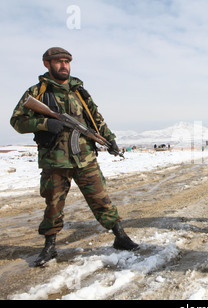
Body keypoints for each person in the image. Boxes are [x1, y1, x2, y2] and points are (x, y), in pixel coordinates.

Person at [10, 47, 139, 267]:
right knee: (53, 204)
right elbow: (17, 121)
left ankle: (120, 236)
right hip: (54, 161)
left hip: (85, 158)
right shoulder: (37, 92)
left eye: (66, 62)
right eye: (58, 62)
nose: (63, 66)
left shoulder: (80, 92)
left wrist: (109, 139)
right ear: (46, 64)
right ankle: (49, 247)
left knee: (102, 199)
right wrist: (45, 123)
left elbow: (96, 119)